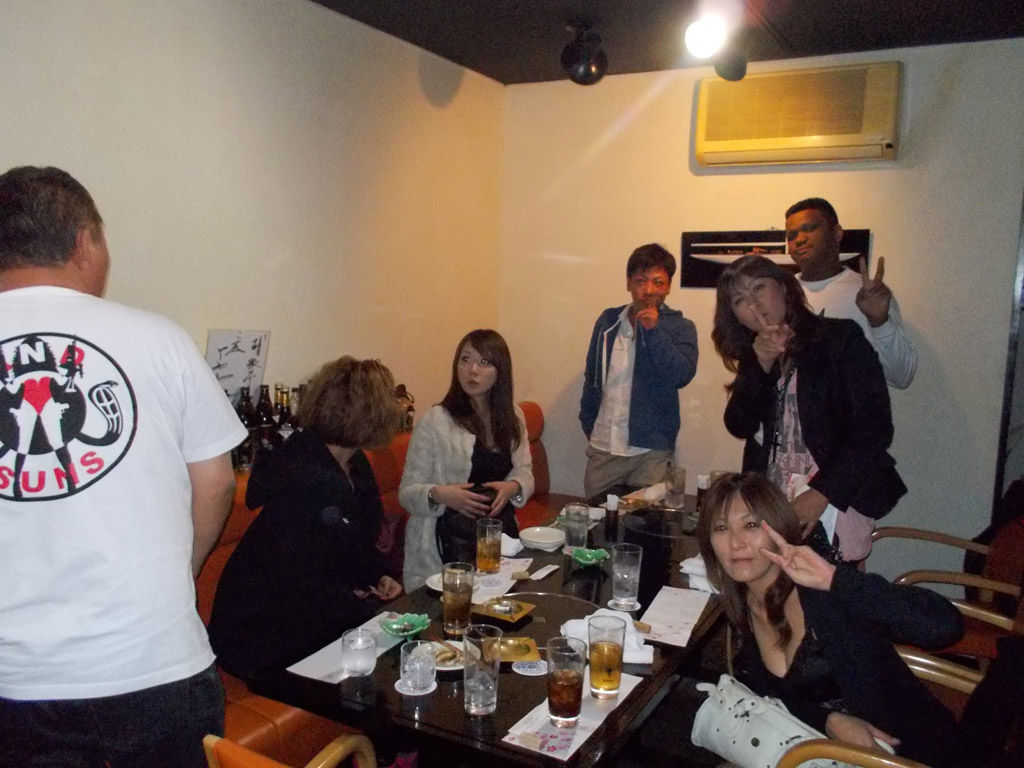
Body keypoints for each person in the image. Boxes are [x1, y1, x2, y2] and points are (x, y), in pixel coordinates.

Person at [0, 166, 246, 767]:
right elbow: (217, 481)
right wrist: (184, 568)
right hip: (151, 664)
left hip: (12, 679)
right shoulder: (158, 339)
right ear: (84, 242)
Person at [698, 472, 963, 768]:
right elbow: (777, 701)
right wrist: (829, 720)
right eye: (721, 528)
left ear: (778, 528)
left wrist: (834, 579)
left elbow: (945, 626)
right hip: (822, 753)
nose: (735, 543)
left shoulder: (825, 595)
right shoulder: (742, 606)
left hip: (907, 755)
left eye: (750, 525)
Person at [208, 357, 404, 679]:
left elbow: (354, 544)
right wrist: (368, 610)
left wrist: (379, 574)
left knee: (395, 649)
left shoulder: (353, 465)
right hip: (261, 633)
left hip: (308, 611)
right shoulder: (301, 477)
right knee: (389, 656)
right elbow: (300, 582)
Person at [712, 254, 905, 563]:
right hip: (771, 499)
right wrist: (760, 365)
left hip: (834, 496)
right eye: (739, 300)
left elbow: (874, 428)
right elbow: (739, 424)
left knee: (829, 587)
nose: (753, 304)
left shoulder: (839, 338)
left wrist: (820, 494)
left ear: (784, 288)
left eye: (759, 288)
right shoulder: (755, 354)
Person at [400, 329, 534, 590]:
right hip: (447, 543)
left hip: (500, 538)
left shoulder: (513, 416)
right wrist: (441, 495)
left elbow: (525, 472)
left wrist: (513, 487)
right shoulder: (435, 421)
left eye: (484, 362)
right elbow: (406, 493)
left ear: (500, 370)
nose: (473, 370)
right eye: (465, 359)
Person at [579, 243, 698, 499]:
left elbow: (681, 374)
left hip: (651, 453)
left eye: (658, 282)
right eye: (641, 281)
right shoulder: (608, 322)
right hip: (604, 447)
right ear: (629, 283)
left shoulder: (681, 327)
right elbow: (592, 376)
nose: (648, 290)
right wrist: (588, 421)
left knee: (647, 519)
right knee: (596, 518)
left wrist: (653, 331)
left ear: (668, 287)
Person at [785, 197, 916, 389]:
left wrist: (879, 321)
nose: (799, 239)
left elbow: (902, 376)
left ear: (837, 233)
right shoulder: (780, 293)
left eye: (810, 228)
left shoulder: (867, 293)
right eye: (791, 236)